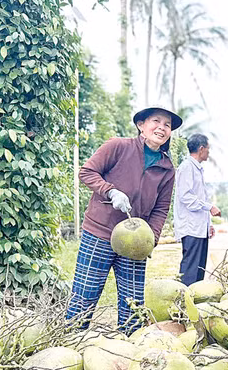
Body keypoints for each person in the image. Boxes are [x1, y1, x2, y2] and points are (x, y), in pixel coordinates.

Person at [66, 106, 182, 332]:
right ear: (141, 125)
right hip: (100, 232)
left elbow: (161, 209)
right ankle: (71, 339)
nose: (161, 127)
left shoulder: (167, 169)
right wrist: (110, 191)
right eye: (156, 121)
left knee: (133, 305)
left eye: (167, 125)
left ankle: (128, 345)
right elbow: (87, 172)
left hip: (135, 242)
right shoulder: (118, 146)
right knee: (84, 296)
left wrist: (151, 239)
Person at [174, 133, 220, 285]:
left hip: (199, 227)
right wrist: (210, 207)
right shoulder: (187, 167)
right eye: (208, 148)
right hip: (191, 227)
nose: (209, 152)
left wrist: (208, 225)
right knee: (190, 269)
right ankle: (185, 296)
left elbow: (199, 197)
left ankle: (196, 296)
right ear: (201, 149)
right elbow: (186, 197)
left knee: (199, 268)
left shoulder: (197, 169)